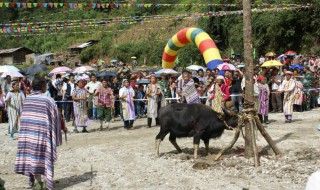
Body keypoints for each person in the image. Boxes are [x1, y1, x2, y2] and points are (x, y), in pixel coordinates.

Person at [14, 77, 66, 190]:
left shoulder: (27, 100)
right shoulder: (48, 100)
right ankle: (45, 183)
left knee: (33, 157)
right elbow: (56, 117)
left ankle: (38, 182)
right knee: (45, 157)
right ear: (43, 87)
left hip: (29, 136)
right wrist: (62, 128)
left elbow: (23, 117)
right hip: (43, 136)